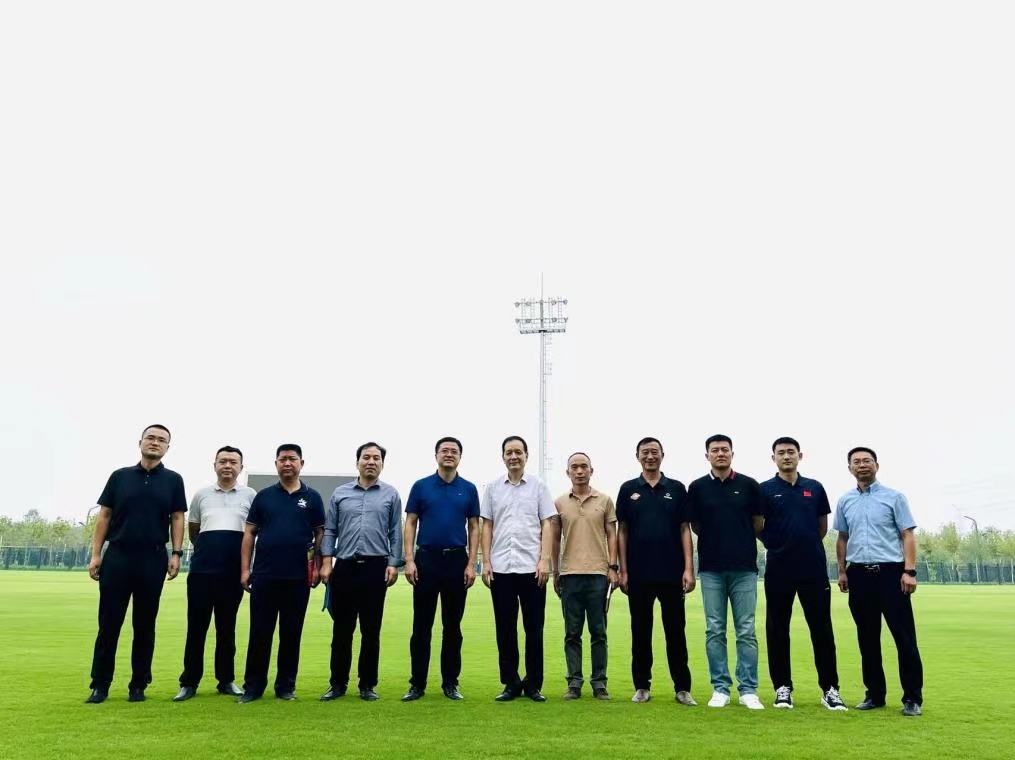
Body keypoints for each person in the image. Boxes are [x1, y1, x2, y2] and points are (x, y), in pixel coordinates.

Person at [86, 424, 187, 704]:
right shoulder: (119, 477)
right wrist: (96, 554)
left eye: (161, 440)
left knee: (145, 625)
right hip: (118, 556)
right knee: (109, 624)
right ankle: (100, 685)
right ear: (140, 442)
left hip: (152, 558)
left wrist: (176, 553)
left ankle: (138, 684)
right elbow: (104, 516)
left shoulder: (173, 480)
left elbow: (177, 517)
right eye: (150, 438)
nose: (155, 442)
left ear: (167, 447)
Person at [834, 446, 924, 717]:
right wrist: (842, 571)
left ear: (876, 465)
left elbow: (907, 534)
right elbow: (842, 538)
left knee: (904, 638)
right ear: (849, 468)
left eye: (867, 461)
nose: (862, 465)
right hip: (859, 575)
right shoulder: (845, 501)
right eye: (857, 462)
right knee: (867, 639)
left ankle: (912, 698)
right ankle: (874, 694)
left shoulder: (894, 497)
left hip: (891, 574)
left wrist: (909, 571)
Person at [760, 437, 846, 711]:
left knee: (822, 629)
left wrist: (803, 545)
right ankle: (782, 687)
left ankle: (830, 689)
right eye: (781, 453)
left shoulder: (814, 488)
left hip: (812, 568)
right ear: (773, 458)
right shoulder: (764, 490)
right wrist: (777, 544)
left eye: (791, 452)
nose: (786, 456)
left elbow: (821, 527)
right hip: (779, 568)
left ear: (800, 455)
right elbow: (757, 526)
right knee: (777, 629)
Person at [238, 444, 325, 702]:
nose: (288, 463)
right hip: (264, 575)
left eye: (292, 459)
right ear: (276, 464)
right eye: (283, 459)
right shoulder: (264, 496)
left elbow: (320, 533)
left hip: (298, 578)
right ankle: (253, 687)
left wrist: (318, 565)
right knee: (259, 633)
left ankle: (286, 687)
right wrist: (245, 569)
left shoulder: (313, 498)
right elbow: (249, 533)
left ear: (301, 464)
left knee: (291, 634)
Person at [319, 442, 403, 702]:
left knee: (371, 630)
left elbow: (395, 532)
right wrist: (326, 561)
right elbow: (330, 530)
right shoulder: (340, 493)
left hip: (375, 569)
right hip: (345, 567)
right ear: (357, 462)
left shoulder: (390, 494)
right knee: (342, 630)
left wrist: (393, 563)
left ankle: (367, 684)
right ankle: (337, 684)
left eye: (376, 458)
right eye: (366, 457)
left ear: (382, 464)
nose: (371, 461)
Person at [687, 434, 765, 710]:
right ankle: (720, 687)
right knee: (715, 629)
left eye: (725, 450)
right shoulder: (697, 487)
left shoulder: (749, 485)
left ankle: (748, 689)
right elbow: (695, 525)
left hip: (744, 568)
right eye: (715, 450)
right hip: (711, 569)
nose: (720, 453)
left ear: (732, 453)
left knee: (746, 630)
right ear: (707, 455)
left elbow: (758, 523)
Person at [616, 437, 695, 705]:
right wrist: (623, 570)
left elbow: (685, 529)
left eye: (654, 452)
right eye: (645, 452)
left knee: (676, 633)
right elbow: (622, 531)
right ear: (637, 456)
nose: (650, 457)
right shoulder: (628, 489)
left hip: (672, 573)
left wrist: (689, 568)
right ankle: (641, 686)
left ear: (662, 455)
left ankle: (682, 688)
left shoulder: (676, 488)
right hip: (638, 574)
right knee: (640, 632)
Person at [401, 437, 480, 702]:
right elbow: (410, 522)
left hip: (456, 561)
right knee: (421, 627)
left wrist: (471, 563)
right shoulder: (421, 486)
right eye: (444, 450)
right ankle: (417, 684)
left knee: (452, 627)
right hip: (426, 561)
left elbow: (474, 527)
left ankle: (450, 683)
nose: (449, 454)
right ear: (436, 455)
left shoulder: (468, 489)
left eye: (454, 451)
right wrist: (409, 559)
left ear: (460, 457)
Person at [173, 446, 255, 702]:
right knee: (196, 627)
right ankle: (189, 682)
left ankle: (226, 680)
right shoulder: (201, 495)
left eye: (233, 462)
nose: (227, 466)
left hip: (233, 572)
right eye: (223, 461)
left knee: (226, 628)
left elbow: (253, 532)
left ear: (240, 467)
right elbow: (194, 530)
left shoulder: (250, 495)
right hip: (202, 571)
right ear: (215, 465)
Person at [480, 435, 556, 702]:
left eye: (518, 452)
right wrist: (486, 561)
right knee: (505, 629)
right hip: (501, 568)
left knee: (534, 629)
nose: (513, 456)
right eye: (509, 452)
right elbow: (487, 525)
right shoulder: (493, 488)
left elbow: (547, 523)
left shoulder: (538, 487)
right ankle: (510, 683)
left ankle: (533, 684)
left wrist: (544, 560)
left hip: (532, 568)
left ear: (526, 456)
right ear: (503, 456)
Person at [552, 452, 618, 700]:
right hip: (569, 575)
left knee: (599, 632)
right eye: (574, 467)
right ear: (567, 472)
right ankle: (574, 683)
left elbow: (612, 534)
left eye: (584, 467)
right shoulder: (559, 503)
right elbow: (554, 540)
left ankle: (599, 683)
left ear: (591, 470)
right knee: (572, 633)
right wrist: (555, 571)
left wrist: (613, 567)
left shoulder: (605, 500)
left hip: (598, 575)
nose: (579, 471)